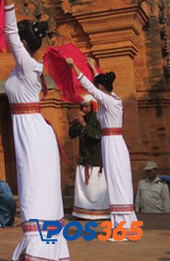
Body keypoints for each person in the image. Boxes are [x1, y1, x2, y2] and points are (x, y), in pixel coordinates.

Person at [0, 0, 69, 260]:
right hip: (30, 131)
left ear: (25, 43)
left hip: (34, 134)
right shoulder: (25, 68)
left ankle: (40, 250)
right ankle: (43, 250)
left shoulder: (27, 65)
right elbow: (12, 37)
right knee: (36, 188)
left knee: (34, 190)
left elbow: (10, 33)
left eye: (17, 41)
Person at [67, 56, 139, 240]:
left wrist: (75, 65)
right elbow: (99, 85)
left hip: (113, 143)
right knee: (116, 183)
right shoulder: (113, 97)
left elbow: (92, 89)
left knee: (116, 184)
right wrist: (93, 68)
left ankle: (122, 229)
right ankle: (125, 227)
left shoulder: (109, 101)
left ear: (100, 88)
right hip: (112, 142)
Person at [69, 94, 110, 220]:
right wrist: (77, 123)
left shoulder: (99, 119)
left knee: (96, 189)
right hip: (84, 159)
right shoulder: (82, 119)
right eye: (82, 106)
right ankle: (83, 213)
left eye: (85, 106)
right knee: (83, 189)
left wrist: (84, 124)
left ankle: (100, 213)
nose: (83, 109)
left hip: (96, 160)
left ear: (92, 106)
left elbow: (97, 135)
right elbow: (71, 134)